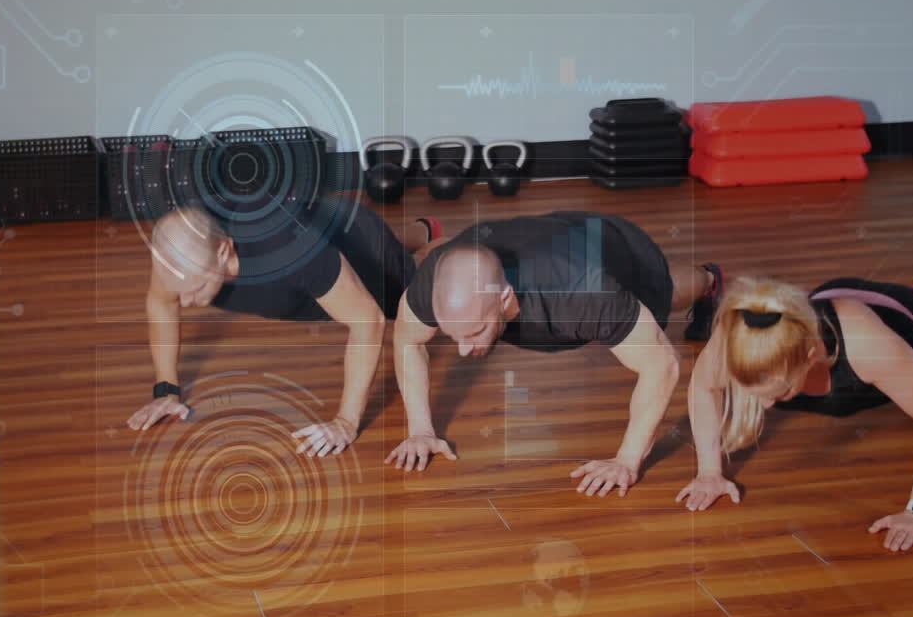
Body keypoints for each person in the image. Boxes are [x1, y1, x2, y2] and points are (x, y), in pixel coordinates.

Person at [681, 273, 913, 552]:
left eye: (780, 392)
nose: (769, 406)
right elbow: (702, 385)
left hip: (910, 329)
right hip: (846, 304)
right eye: (754, 394)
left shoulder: (868, 348)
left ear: (812, 354)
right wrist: (709, 471)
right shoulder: (741, 335)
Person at [387, 210, 723, 487]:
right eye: (453, 335)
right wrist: (420, 430)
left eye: (473, 332)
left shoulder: (583, 293)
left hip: (615, 252)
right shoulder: (436, 280)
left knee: (671, 294)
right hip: (541, 240)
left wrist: (626, 461)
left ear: (505, 298)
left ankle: (708, 280)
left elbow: (662, 366)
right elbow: (408, 339)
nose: (462, 351)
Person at [127, 195, 442, 458]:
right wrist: (166, 390)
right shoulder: (183, 251)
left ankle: (446, 243)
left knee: (424, 294)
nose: (182, 301)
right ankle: (417, 233)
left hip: (362, 245)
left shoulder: (291, 249)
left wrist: (345, 422)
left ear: (224, 251)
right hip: (321, 258)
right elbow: (161, 303)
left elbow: (367, 321)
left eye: (193, 291)